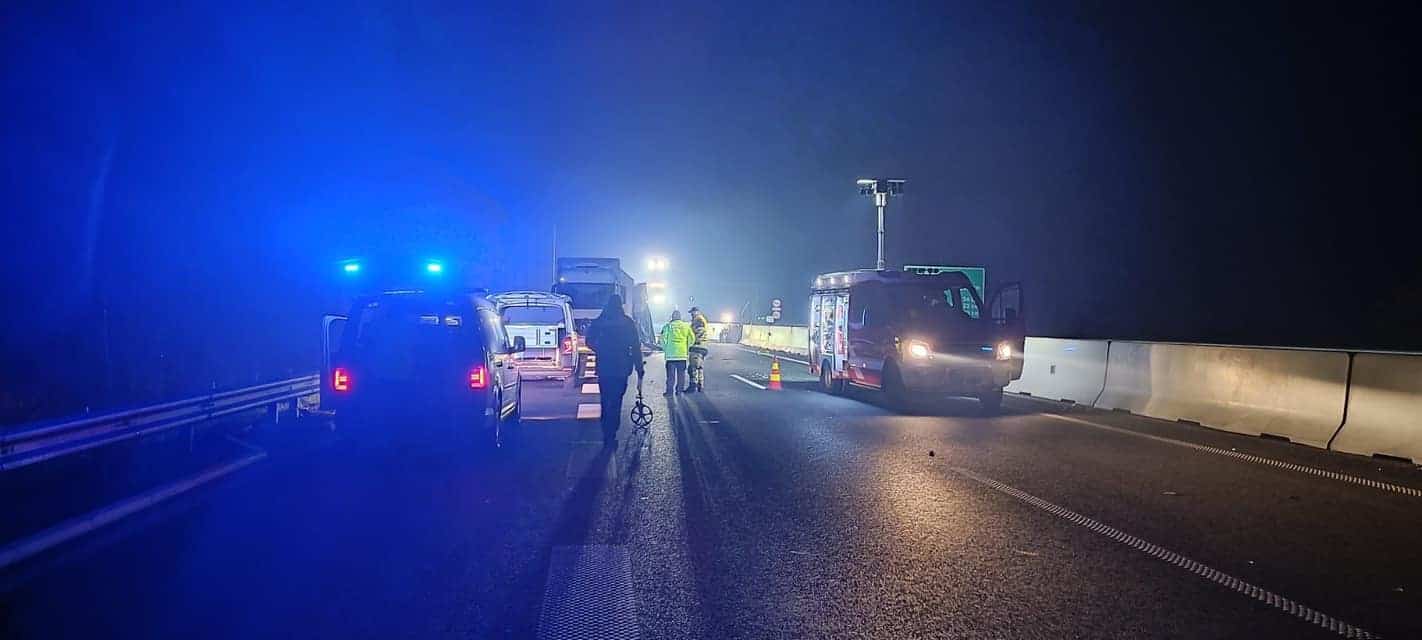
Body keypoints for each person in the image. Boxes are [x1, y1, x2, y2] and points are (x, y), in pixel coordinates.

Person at [585, 294, 645, 447]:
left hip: (604, 367)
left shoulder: (600, 321)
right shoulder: (627, 322)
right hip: (622, 368)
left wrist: (600, 349)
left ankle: (606, 431)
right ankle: (613, 429)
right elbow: (636, 346)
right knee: (617, 400)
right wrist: (639, 368)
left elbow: (588, 341)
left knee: (605, 399)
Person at [659, 310, 695, 397]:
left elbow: (662, 339)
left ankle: (669, 392)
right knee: (681, 375)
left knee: (670, 376)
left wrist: (665, 348)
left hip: (671, 356)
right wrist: (687, 346)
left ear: (672, 317)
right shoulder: (686, 326)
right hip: (682, 355)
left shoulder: (668, 326)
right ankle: (679, 391)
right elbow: (692, 338)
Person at [685, 307, 709, 393]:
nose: (691, 314)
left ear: (696, 312)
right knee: (699, 367)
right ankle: (700, 385)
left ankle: (693, 386)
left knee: (693, 368)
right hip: (702, 347)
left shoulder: (698, 320)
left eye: (692, 312)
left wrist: (691, 341)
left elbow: (698, 333)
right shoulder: (700, 320)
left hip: (697, 347)